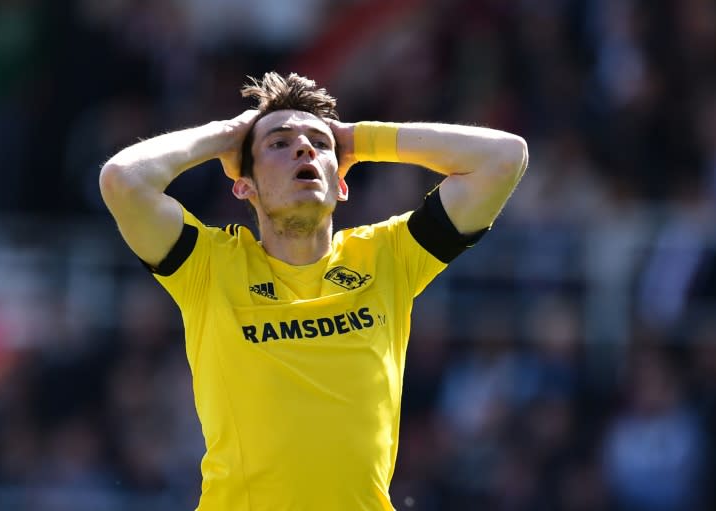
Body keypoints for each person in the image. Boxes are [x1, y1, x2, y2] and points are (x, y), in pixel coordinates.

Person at [99, 71, 528, 511]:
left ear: (341, 184)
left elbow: (504, 158)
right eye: (279, 143)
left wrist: (359, 140)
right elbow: (123, 181)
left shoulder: (386, 257)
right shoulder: (210, 266)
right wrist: (224, 135)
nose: (304, 148)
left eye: (320, 144)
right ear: (243, 184)